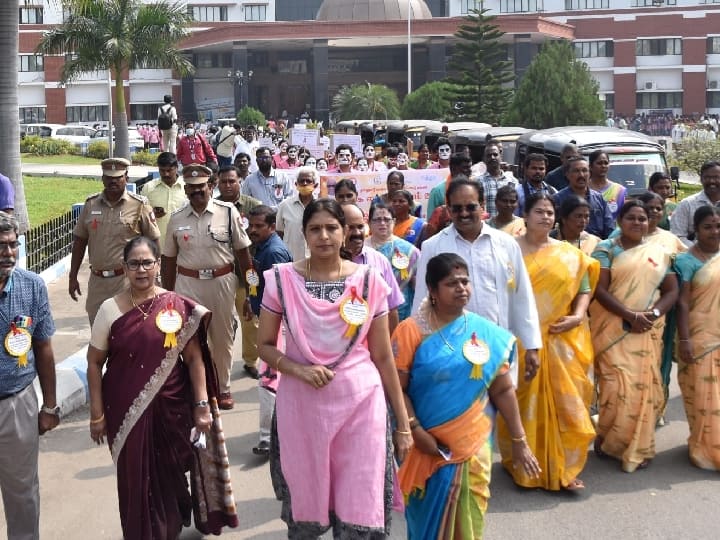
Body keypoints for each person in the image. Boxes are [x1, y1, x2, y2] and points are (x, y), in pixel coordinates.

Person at [256, 199, 412, 538]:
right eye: (315, 229)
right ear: (304, 233)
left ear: (344, 233)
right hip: (302, 407)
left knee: (360, 502)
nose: (323, 236)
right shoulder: (281, 280)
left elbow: (384, 357)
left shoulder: (371, 282)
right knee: (305, 505)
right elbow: (264, 345)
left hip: (362, 406)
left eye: (332, 228)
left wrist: (403, 424)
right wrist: (299, 370)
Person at [87, 236, 239, 539]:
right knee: (136, 480)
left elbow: (195, 359)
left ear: (158, 265)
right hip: (124, 411)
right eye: (134, 264)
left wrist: (201, 405)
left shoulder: (176, 305)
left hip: (173, 408)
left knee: (169, 477)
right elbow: (94, 362)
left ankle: (169, 526)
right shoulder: (109, 310)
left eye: (147, 263)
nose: (141, 270)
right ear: (125, 268)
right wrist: (96, 414)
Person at [392, 253, 540, 539]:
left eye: (465, 281)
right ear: (432, 291)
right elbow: (397, 387)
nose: (461, 288)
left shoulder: (484, 332)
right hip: (425, 444)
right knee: (426, 521)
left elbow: (502, 389)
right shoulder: (410, 331)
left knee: (469, 515)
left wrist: (520, 440)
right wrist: (414, 428)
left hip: (472, 443)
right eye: (451, 283)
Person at [496, 194, 598, 491]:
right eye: (539, 211)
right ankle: (523, 465)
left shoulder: (570, 254)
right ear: (524, 215)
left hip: (561, 339)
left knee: (568, 405)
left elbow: (584, 288)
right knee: (522, 403)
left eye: (550, 212)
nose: (545, 217)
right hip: (521, 341)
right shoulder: (507, 250)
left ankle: (563, 468)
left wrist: (578, 316)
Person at [412, 177, 543, 382]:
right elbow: (422, 301)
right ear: (448, 209)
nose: (464, 214)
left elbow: (522, 296)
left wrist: (532, 345)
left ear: (482, 206)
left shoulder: (506, 244)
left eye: (470, 207)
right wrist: (421, 350)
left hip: (498, 346)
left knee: (500, 409)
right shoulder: (433, 247)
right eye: (457, 208)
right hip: (451, 352)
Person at [589, 200, 679, 472]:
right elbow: (599, 290)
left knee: (641, 389)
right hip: (613, 329)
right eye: (632, 218)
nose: (638, 223)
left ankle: (638, 446)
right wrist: (630, 315)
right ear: (619, 221)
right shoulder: (605, 250)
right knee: (615, 387)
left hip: (646, 331)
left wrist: (651, 315)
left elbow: (672, 291)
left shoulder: (659, 253)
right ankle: (608, 439)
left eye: (643, 218)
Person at [161, 164, 253, 410]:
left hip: (221, 283)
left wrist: (251, 292)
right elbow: (168, 260)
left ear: (210, 187)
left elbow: (244, 255)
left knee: (222, 339)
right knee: (189, 338)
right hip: (187, 284)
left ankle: (223, 388)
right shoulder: (177, 218)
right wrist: (167, 297)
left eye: (200, 187)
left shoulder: (228, 212)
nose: (196, 192)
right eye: (190, 188)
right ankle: (197, 389)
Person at [0, 211, 59, 539]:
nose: (8, 253)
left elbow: (44, 347)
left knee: (22, 492)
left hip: (17, 404)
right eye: (0, 246)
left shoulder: (32, 287)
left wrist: (49, 406)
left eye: (12, 245)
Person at [69, 158, 161, 325]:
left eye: (117, 177)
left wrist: (154, 275)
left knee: (129, 333)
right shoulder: (91, 204)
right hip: (97, 282)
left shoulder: (139, 205)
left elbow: (153, 241)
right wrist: (72, 276)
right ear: (102, 178)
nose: (113, 181)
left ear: (126, 177)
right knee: (99, 333)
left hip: (127, 281)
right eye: (108, 177)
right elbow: (80, 241)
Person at [675, 206, 720, 470]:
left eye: (718, 226)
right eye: (708, 227)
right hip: (700, 337)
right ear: (696, 229)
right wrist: (685, 340)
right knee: (703, 394)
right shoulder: (686, 260)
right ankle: (706, 449)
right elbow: (682, 304)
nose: (715, 232)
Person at [245, 206, 292, 456]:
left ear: (272, 226)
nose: (252, 230)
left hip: (275, 327)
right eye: (250, 225)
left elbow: (282, 295)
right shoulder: (263, 247)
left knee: (269, 379)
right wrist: (249, 300)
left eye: (258, 226)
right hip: (267, 319)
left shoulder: (274, 252)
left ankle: (269, 437)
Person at [215, 165, 262, 378]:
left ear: (239, 182)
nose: (227, 185)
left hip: (248, 272)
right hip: (219, 274)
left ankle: (251, 360)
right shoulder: (211, 206)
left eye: (231, 181)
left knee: (250, 318)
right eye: (223, 181)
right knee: (220, 321)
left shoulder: (254, 206)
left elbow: (262, 237)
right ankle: (217, 362)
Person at [343, 203, 404, 334]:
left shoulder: (379, 260)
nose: (357, 233)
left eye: (360, 227)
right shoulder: (328, 262)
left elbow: (392, 309)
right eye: (350, 228)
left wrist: (389, 347)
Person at [367, 203, 419, 321]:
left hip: (403, 313)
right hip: (370, 312)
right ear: (369, 223)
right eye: (377, 220)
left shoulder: (410, 251)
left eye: (387, 219)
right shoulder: (361, 250)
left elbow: (418, 287)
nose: (382, 223)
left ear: (394, 221)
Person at [553, 156, 615, 239]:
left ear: (590, 173)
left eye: (584, 170)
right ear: (567, 174)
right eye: (576, 171)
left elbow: (609, 228)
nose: (581, 175)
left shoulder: (599, 198)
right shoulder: (558, 199)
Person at [141, 152, 186, 246]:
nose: (166, 174)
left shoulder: (187, 187)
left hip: (182, 245)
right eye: (162, 170)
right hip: (157, 245)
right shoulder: (149, 188)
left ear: (177, 168)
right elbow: (140, 215)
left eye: (169, 170)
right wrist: (152, 214)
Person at [671, 161, 720, 246]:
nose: (712, 181)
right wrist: (701, 251)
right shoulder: (687, 204)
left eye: (716, 177)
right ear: (701, 179)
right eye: (707, 177)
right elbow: (677, 236)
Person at [276, 166, 317, 261]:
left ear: (315, 185)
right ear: (296, 184)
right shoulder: (285, 205)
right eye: (301, 181)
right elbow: (279, 233)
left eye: (308, 181)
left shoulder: (321, 206)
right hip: (291, 261)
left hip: (316, 262)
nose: (305, 183)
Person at [478, 140, 518, 219]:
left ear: (500, 156)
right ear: (484, 159)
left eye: (495, 154)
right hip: (487, 227)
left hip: (508, 227)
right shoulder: (478, 182)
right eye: (489, 155)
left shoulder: (512, 181)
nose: (492, 157)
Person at [426, 153, 473, 218]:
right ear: (453, 169)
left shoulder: (474, 189)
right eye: (465, 168)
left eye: (470, 167)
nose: (470, 171)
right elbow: (431, 222)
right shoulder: (438, 192)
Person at [588, 150, 627, 221]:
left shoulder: (619, 190)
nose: (603, 166)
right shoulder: (584, 188)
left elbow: (623, 215)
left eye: (606, 163)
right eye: (599, 163)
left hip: (613, 231)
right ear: (590, 166)